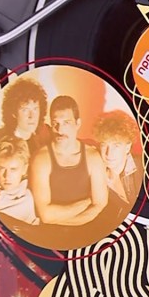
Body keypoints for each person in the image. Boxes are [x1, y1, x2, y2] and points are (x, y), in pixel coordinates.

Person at [29, 96, 108, 228]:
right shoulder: (40, 159)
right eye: (55, 123)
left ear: (77, 123)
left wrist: (57, 218)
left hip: (90, 231)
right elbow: (46, 216)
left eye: (66, 123)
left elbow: (99, 205)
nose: (60, 130)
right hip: (50, 234)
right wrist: (86, 202)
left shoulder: (93, 157)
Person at [0, 76, 51, 173]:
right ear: (13, 113)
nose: (32, 116)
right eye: (25, 110)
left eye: (35, 109)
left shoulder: (47, 133)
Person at [0, 135, 39, 226]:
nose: (7, 176)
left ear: (24, 169)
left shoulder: (26, 200)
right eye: (1, 168)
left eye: (13, 169)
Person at [92, 110, 143, 217]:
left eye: (116, 146)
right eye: (104, 145)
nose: (109, 153)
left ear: (127, 147)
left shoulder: (144, 168)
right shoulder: (95, 170)